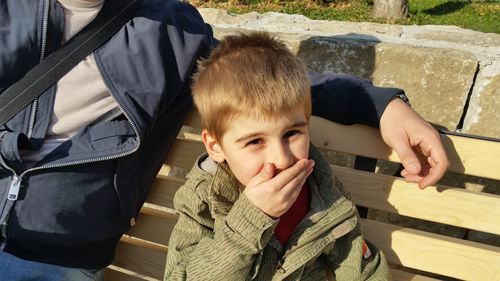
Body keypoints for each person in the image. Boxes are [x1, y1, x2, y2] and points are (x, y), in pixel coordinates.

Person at [0, 0, 447, 280]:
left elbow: (257, 84)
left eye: (294, 135)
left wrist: (382, 104)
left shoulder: (169, 29)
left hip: (57, 248)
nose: (279, 152)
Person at [165, 31, 393, 280]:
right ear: (215, 146)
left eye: (291, 134)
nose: (282, 159)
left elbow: (361, 268)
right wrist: (249, 221)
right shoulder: (202, 199)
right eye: (255, 141)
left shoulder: (322, 189)